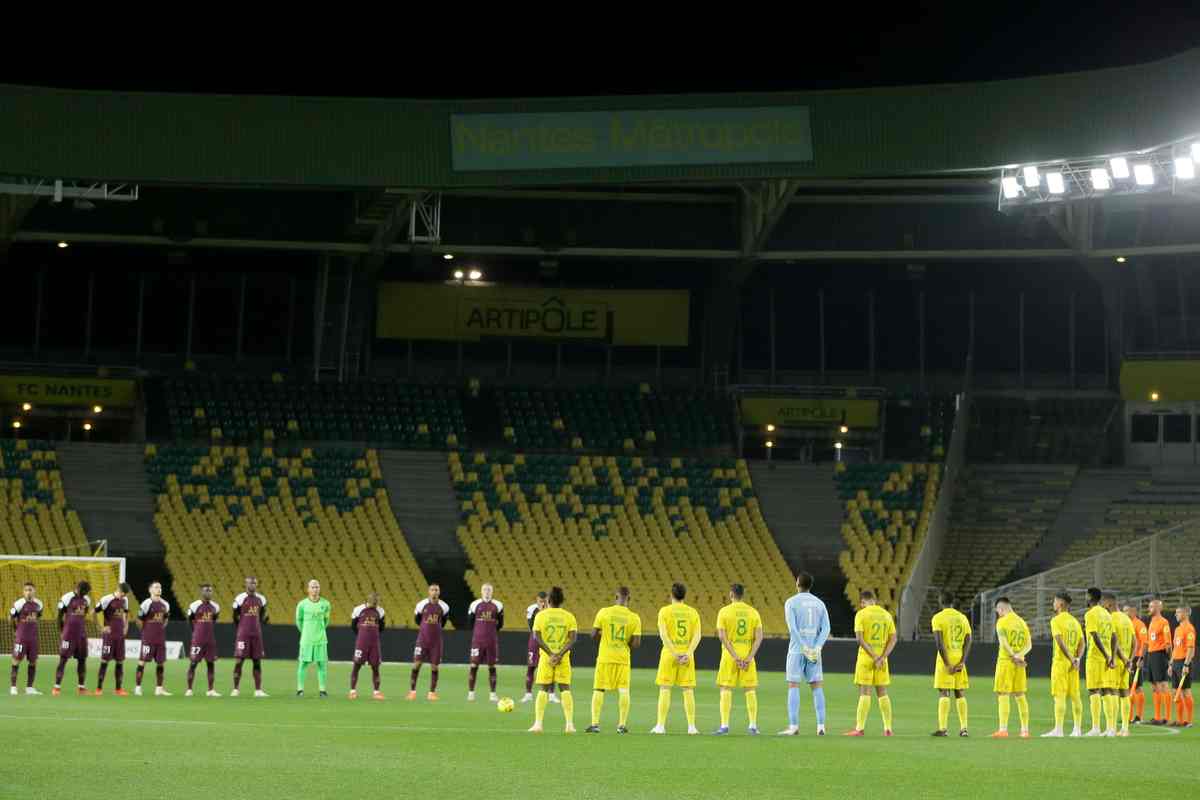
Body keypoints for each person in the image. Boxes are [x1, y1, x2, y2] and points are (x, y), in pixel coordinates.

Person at [779, 572, 830, 736]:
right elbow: (826, 629)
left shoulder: (791, 602)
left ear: (797, 583)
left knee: (793, 685)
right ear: (810, 585)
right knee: (817, 686)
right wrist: (817, 647)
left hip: (797, 650)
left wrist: (803, 647)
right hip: (814, 651)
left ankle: (793, 726)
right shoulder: (820, 603)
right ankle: (821, 726)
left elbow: (792, 628)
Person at [588, 586, 642, 734]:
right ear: (629, 599)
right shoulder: (634, 617)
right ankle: (621, 725)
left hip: (605, 656)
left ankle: (595, 724)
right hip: (623, 658)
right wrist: (625, 643)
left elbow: (592, 635)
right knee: (624, 690)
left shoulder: (604, 612)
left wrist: (603, 637)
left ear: (616, 597)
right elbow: (636, 643)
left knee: (599, 689)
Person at [651, 582, 702, 735]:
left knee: (665, 688)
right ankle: (692, 727)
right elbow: (697, 636)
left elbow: (664, 635)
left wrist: (674, 653)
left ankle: (660, 726)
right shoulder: (693, 613)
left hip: (669, 655)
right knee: (688, 689)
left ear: (671, 595)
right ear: (684, 596)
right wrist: (688, 653)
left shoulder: (665, 611)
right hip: (687, 655)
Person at [714, 583, 764, 735]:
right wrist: (749, 657)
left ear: (731, 594)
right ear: (743, 595)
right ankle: (753, 726)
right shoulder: (753, 612)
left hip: (730, 656)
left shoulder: (724, 612)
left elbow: (722, 636)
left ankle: (724, 726)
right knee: (750, 690)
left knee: (725, 688)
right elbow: (759, 637)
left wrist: (735, 657)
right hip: (747, 654)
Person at [846, 589, 896, 737]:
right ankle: (888, 728)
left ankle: (859, 728)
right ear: (874, 600)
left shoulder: (861, 614)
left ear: (862, 602)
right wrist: (882, 657)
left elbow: (860, 639)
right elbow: (893, 639)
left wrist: (874, 656)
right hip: (882, 659)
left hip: (866, 658)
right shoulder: (886, 615)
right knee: (882, 692)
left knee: (865, 692)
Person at [528, 586, 578, 734]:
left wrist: (551, 654)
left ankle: (538, 724)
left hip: (546, 657)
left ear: (548, 600)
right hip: (563, 658)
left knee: (543, 688)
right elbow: (573, 638)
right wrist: (560, 654)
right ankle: (569, 725)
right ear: (562, 601)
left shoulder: (541, 616)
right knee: (565, 688)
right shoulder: (569, 616)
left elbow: (536, 636)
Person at [1042, 591, 1084, 737]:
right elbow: (1082, 643)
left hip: (1061, 662)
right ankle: (1077, 729)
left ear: (1060, 604)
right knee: (1075, 696)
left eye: (1055, 601)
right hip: (1073, 663)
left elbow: (1059, 641)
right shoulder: (1075, 622)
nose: (1053, 604)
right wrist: (1077, 658)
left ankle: (1058, 729)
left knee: (1059, 695)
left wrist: (1071, 658)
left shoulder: (1056, 620)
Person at [931, 590, 972, 737]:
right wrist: (962, 661)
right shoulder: (962, 618)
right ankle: (964, 728)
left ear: (941, 602)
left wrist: (947, 663)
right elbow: (968, 640)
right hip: (959, 656)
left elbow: (939, 643)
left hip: (946, 658)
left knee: (944, 691)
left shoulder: (938, 618)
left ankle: (943, 728)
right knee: (960, 692)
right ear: (952, 602)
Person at [991, 597, 1031, 738]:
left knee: (1003, 693)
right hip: (1020, 662)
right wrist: (1020, 655)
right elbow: (1029, 645)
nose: (998, 614)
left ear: (1001, 608)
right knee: (1020, 695)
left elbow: (1003, 643)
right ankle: (1025, 730)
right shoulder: (1022, 622)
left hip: (1006, 661)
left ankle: (1003, 729)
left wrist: (1013, 655)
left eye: (998, 611)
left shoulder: (1002, 622)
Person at [1083, 587, 1118, 736]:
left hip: (1096, 656)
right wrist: (1111, 656)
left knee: (1094, 690)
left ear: (1090, 597)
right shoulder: (1107, 614)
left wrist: (1105, 654)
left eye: (1086, 596)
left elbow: (1094, 636)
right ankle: (1111, 728)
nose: (1085, 598)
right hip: (1107, 657)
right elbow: (1114, 637)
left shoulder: (1090, 614)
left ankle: (1096, 727)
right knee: (1106, 691)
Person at [409, 584, 449, 701]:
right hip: (422, 640)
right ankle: (412, 691)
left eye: (437, 590)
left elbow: (443, 622)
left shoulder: (444, 607)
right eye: (432, 590)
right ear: (429, 592)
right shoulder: (421, 605)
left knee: (435, 667)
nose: (434, 592)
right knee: (417, 664)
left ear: (439, 592)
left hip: (436, 642)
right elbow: (417, 620)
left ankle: (431, 693)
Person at [231, 576, 269, 698]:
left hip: (256, 635)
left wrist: (261, 622)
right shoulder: (240, 598)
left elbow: (262, 614)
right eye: (250, 583)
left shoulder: (261, 599)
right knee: (239, 661)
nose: (253, 585)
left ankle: (258, 690)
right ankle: (235, 689)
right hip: (243, 635)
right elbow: (235, 616)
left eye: (255, 583)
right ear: (246, 584)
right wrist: (241, 628)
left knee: (257, 661)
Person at [53, 580, 91, 696]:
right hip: (68, 634)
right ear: (78, 588)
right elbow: (59, 616)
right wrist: (61, 632)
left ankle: (81, 688)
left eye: (86, 592)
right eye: (83, 591)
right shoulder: (66, 598)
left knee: (82, 659)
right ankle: (56, 687)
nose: (85, 594)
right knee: (63, 659)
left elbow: (84, 615)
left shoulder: (87, 600)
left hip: (81, 635)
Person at [467, 583, 504, 702]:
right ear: (481, 591)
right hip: (477, 641)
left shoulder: (498, 605)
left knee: (492, 667)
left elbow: (501, 623)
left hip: (491, 641)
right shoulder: (475, 604)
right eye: (485, 589)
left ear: (492, 591)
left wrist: (491, 631)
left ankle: (492, 694)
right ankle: (471, 693)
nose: (487, 591)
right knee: (474, 666)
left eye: (489, 589)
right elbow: (470, 622)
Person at [1103, 593, 1133, 736]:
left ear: (1109, 604)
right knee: (1124, 693)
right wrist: (1130, 659)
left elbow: (1115, 642)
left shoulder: (1111, 618)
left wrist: (1123, 658)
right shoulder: (1127, 618)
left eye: (1104, 604)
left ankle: (1112, 728)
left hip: (1116, 661)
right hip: (1126, 662)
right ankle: (1125, 728)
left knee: (1112, 692)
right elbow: (1135, 642)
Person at [296, 579, 332, 697]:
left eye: (317, 587)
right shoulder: (302, 604)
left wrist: (319, 630)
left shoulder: (326, 604)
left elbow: (326, 620)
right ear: (308, 589)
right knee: (303, 664)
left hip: (321, 639)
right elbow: (298, 620)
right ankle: (300, 690)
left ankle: (322, 690)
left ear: (319, 589)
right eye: (312, 587)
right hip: (306, 639)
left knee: (321, 664)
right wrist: (306, 631)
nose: (315, 589)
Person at [134, 581, 171, 697]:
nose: (159, 589)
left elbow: (165, 619)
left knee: (161, 663)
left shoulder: (165, 604)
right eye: (156, 587)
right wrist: (145, 632)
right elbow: (139, 620)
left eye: (160, 587)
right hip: (148, 639)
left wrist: (159, 629)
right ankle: (138, 688)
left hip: (160, 639)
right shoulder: (146, 603)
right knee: (142, 661)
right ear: (150, 590)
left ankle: (159, 689)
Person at [94, 582, 131, 696]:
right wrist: (101, 627)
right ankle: (99, 688)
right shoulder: (106, 599)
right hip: (109, 636)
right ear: (118, 589)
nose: (123, 596)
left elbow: (125, 614)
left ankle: (118, 689)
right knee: (105, 661)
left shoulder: (125, 600)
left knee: (120, 661)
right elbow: (94, 612)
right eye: (122, 593)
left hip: (120, 635)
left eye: (124, 594)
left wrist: (126, 627)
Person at [185, 583, 221, 698]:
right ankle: (189, 689)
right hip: (198, 640)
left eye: (210, 590)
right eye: (206, 590)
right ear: (201, 592)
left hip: (210, 640)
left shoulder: (215, 606)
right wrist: (195, 632)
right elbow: (189, 620)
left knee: (211, 664)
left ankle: (211, 690)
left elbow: (214, 620)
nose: (209, 592)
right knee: (193, 663)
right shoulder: (194, 605)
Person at [350, 592, 385, 700]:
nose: (376, 604)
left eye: (377, 602)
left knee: (375, 667)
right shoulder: (358, 609)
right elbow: (353, 625)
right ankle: (352, 691)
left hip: (374, 643)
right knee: (357, 666)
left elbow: (382, 627)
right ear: (368, 600)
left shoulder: (380, 611)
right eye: (374, 602)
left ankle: (376, 692)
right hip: (362, 642)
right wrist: (362, 635)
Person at [9, 582, 43, 696]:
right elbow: (11, 617)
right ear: (23, 592)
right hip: (21, 637)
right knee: (16, 660)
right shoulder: (19, 604)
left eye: (31, 589)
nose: (29, 592)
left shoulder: (39, 604)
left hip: (33, 638)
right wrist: (16, 630)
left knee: (33, 662)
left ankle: (29, 688)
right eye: (26, 590)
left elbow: (38, 616)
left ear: (34, 591)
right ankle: (13, 687)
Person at [522, 592, 556, 704]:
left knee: (551, 667)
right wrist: (542, 612)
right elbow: (531, 626)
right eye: (540, 601)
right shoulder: (532, 609)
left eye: (545, 601)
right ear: (537, 600)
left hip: (548, 642)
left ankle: (551, 695)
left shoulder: (552, 610)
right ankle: (528, 694)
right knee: (531, 667)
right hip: (535, 641)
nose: (543, 603)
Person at [1146, 596, 1172, 724]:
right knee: (1154, 686)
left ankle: (1166, 717)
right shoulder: (1151, 621)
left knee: (1163, 685)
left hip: (1160, 655)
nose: (1148, 609)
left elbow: (1168, 644)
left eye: (1151, 606)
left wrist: (1169, 660)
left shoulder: (1164, 622)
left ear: (1158, 607)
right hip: (1151, 655)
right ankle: (1157, 717)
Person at [1168, 605, 1194, 727]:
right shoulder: (1178, 629)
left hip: (1184, 662)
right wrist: (1171, 663)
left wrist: (1186, 664)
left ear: (1185, 613)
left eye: (1178, 612)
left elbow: (1191, 649)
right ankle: (1179, 720)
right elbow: (1175, 648)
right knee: (1175, 692)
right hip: (1176, 663)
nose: (1176, 614)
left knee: (1185, 692)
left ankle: (1189, 721)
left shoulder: (1189, 629)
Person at [1123, 603, 1149, 723]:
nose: (1125, 613)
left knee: (1137, 687)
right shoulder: (1125, 623)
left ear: (1133, 611)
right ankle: (1128, 716)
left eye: (1127, 611)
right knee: (1127, 687)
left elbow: (1145, 642)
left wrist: (1141, 658)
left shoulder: (1139, 624)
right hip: (1127, 658)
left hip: (1136, 658)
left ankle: (1139, 716)